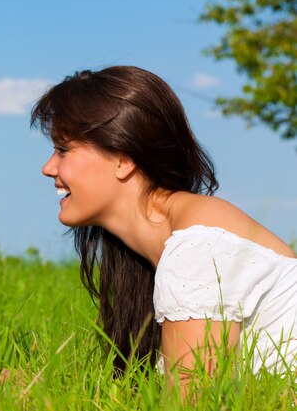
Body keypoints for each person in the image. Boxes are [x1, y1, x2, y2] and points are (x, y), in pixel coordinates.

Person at [32, 66, 297, 391]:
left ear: (123, 158)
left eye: (63, 150)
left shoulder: (198, 246)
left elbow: (190, 401)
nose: (48, 168)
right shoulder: (171, 248)